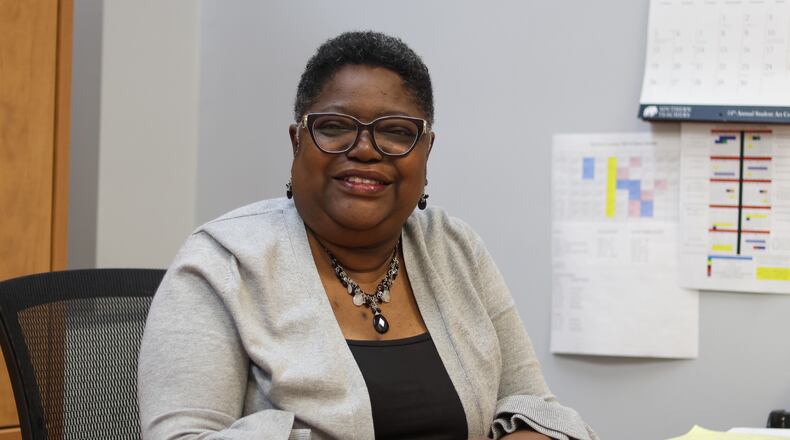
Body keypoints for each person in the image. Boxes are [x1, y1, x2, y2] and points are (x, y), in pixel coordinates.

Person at [137, 31, 597, 440]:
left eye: (395, 132)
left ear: (426, 151)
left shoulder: (455, 249)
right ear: (297, 142)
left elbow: (539, 409)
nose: (364, 150)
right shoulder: (222, 264)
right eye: (335, 127)